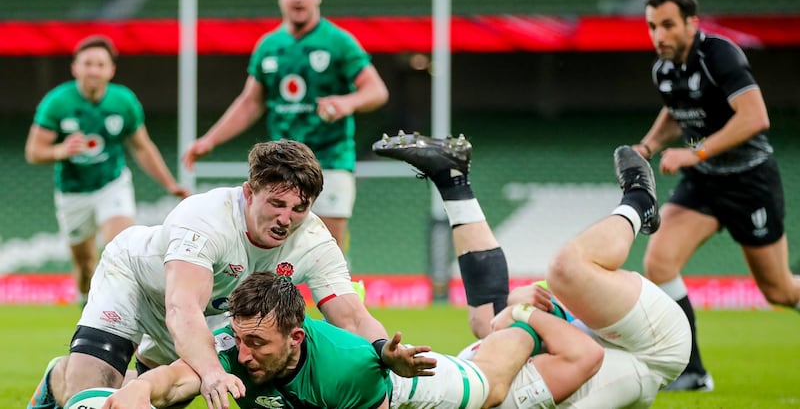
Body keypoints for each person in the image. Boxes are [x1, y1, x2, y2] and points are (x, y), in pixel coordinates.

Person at [27, 140, 429, 409]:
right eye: (276, 203)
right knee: (92, 393)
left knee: (158, 396)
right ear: (249, 192)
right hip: (137, 281)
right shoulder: (205, 219)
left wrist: (382, 348)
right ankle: (61, 376)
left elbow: (350, 313)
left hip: (208, 312)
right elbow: (181, 306)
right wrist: (214, 372)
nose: (286, 219)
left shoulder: (313, 239)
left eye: (299, 208)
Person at [373, 132, 692, 407]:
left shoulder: (477, 377)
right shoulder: (503, 396)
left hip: (603, 340)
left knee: (486, 322)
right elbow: (583, 354)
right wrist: (523, 311)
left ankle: (452, 178)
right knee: (566, 271)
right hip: (656, 345)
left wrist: (517, 306)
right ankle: (639, 200)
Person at [104, 271, 601, 409]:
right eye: (239, 339)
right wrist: (131, 398)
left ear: (296, 337)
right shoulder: (236, 349)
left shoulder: (346, 370)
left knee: (490, 387)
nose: (244, 353)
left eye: (258, 343)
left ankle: (525, 316)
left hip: (406, 390)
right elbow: (169, 382)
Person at [631, 0, 800, 391]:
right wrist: (649, 145)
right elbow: (677, 112)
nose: (659, 36)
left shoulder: (720, 55)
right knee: (659, 263)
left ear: (692, 22)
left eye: (668, 25)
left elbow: (755, 117)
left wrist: (696, 153)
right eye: (653, 26)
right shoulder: (664, 70)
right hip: (704, 185)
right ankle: (691, 372)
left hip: (750, 181)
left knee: (778, 290)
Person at [182, 0, 389, 251]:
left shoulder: (338, 41)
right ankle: (275, 296)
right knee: (269, 242)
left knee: (327, 246)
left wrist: (347, 102)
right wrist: (210, 140)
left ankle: (337, 292)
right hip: (282, 162)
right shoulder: (269, 46)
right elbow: (250, 102)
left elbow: (376, 91)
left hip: (330, 158)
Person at [23, 35, 190, 305]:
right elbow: (33, 151)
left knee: (119, 248)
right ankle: (85, 303)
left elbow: (142, 147)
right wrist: (60, 151)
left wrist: (168, 183)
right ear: (75, 68)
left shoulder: (123, 102)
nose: (93, 70)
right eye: (87, 64)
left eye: (100, 64)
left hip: (112, 183)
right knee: (85, 264)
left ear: (110, 70)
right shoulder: (57, 103)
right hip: (73, 191)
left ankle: (123, 316)